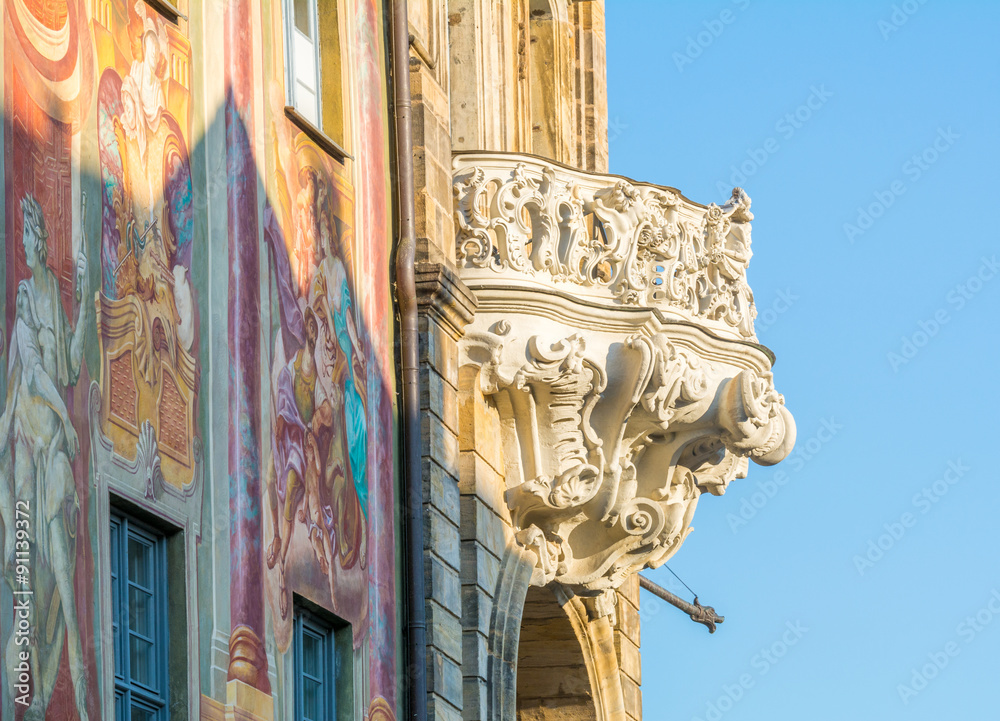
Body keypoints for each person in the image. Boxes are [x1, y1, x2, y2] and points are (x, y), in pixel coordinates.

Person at [1, 193, 90, 721]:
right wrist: (64, 418)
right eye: (31, 234)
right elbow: (33, 373)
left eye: (38, 234)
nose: (36, 241)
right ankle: (28, 699)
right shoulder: (22, 293)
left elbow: (72, 365)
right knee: (25, 585)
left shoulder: (53, 291)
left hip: (54, 454)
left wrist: (84, 302)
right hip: (29, 452)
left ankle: (72, 699)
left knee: (60, 584)